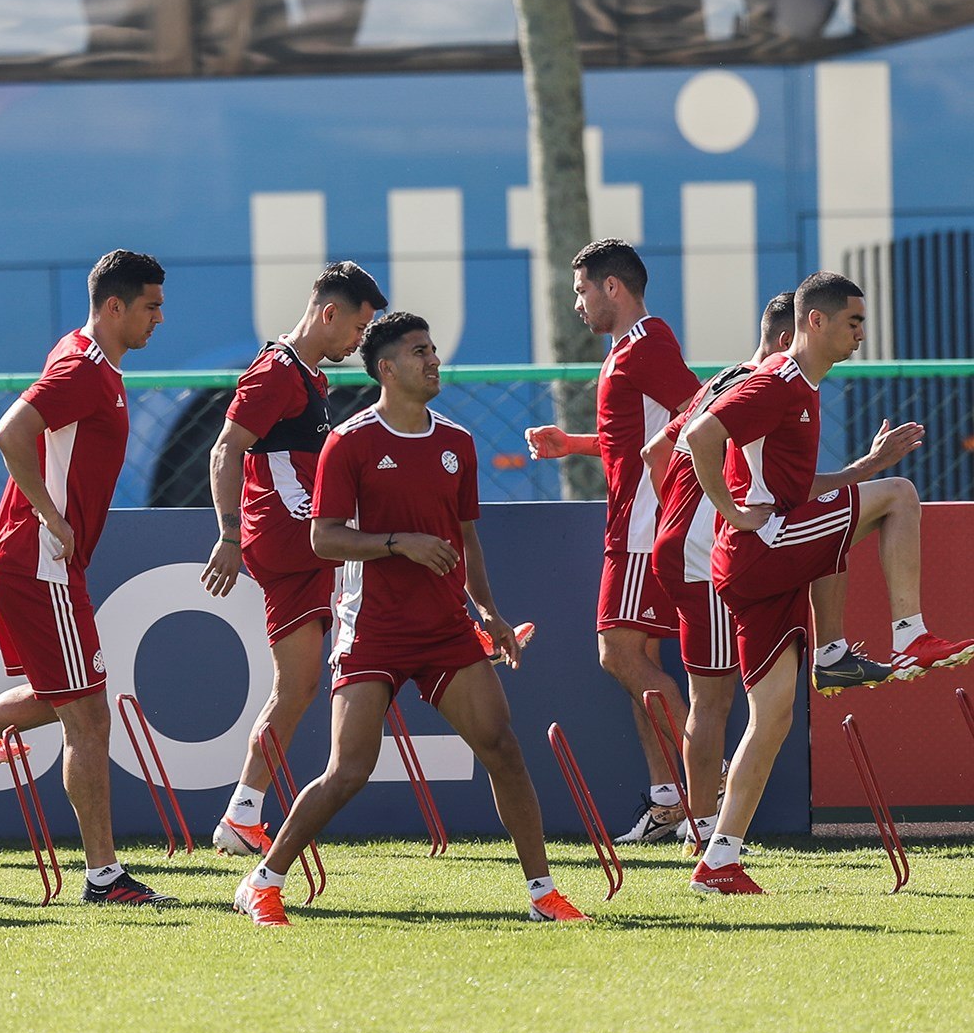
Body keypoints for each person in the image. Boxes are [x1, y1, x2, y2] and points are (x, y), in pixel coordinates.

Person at [237, 312, 582, 926]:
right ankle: (262, 881)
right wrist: (398, 543)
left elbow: (467, 538)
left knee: (503, 748)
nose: (433, 361)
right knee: (348, 772)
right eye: (419, 352)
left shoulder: (456, 443)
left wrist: (490, 612)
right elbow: (323, 539)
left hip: (447, 629)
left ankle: (541, 894)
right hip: (371, 630)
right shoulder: (349, 441)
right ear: (386, 369)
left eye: (433, 351)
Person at [0, 250, 176, 906]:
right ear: (114, 307)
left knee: (63, 696)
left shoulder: (87, 355)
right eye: (151, 306)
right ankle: (104, 877)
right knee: (89, 715)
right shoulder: (82, 365)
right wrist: (52, 516)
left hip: (35, 559)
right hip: (38, 561)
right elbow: (9, 430)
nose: (161, 318)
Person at [681, 272, 974, 894]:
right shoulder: (780, 381)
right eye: (853, 322)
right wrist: (731, 513)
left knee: (772, 719)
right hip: (761, 550)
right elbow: (696, 434)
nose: (861, 334)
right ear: (814, 322)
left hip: (759, 558)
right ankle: (905, 637)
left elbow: (798, 493)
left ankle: (718, 860)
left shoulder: (805, 388)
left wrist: (865, 467)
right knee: (900, 496)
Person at [200, 260, 385, 856]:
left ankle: (242, 814)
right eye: (358, 329)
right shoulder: (275, 373)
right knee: (391, 547)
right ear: (329, 313)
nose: (360, 342)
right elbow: (226, 448)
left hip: (288, 536)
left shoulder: (307, 377)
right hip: (291, 535)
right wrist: (228, 536)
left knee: (298, 685)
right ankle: (462, 636)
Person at [524, 239, 702, 846]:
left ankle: (716, 790)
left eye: (581, 290)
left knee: (618, 657)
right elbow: (636, 435)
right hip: (636, 522)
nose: (576, 303)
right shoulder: (628, 348)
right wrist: (571, 444)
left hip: (643, 528)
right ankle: (669, 802)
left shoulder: (648, 342)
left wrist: (665, 450)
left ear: (612, 288)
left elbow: (702, 407)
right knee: (640, 664)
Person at [640, 293, 799, 848]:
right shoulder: (768, 387)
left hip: (688, 545)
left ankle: (702, 821)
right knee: (712, 699)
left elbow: (655, 453)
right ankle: (701, 827)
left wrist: (678, 514)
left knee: (715, 695)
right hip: (704, 553)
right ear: (788, 339)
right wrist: (713, 514)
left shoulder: (723, 379)